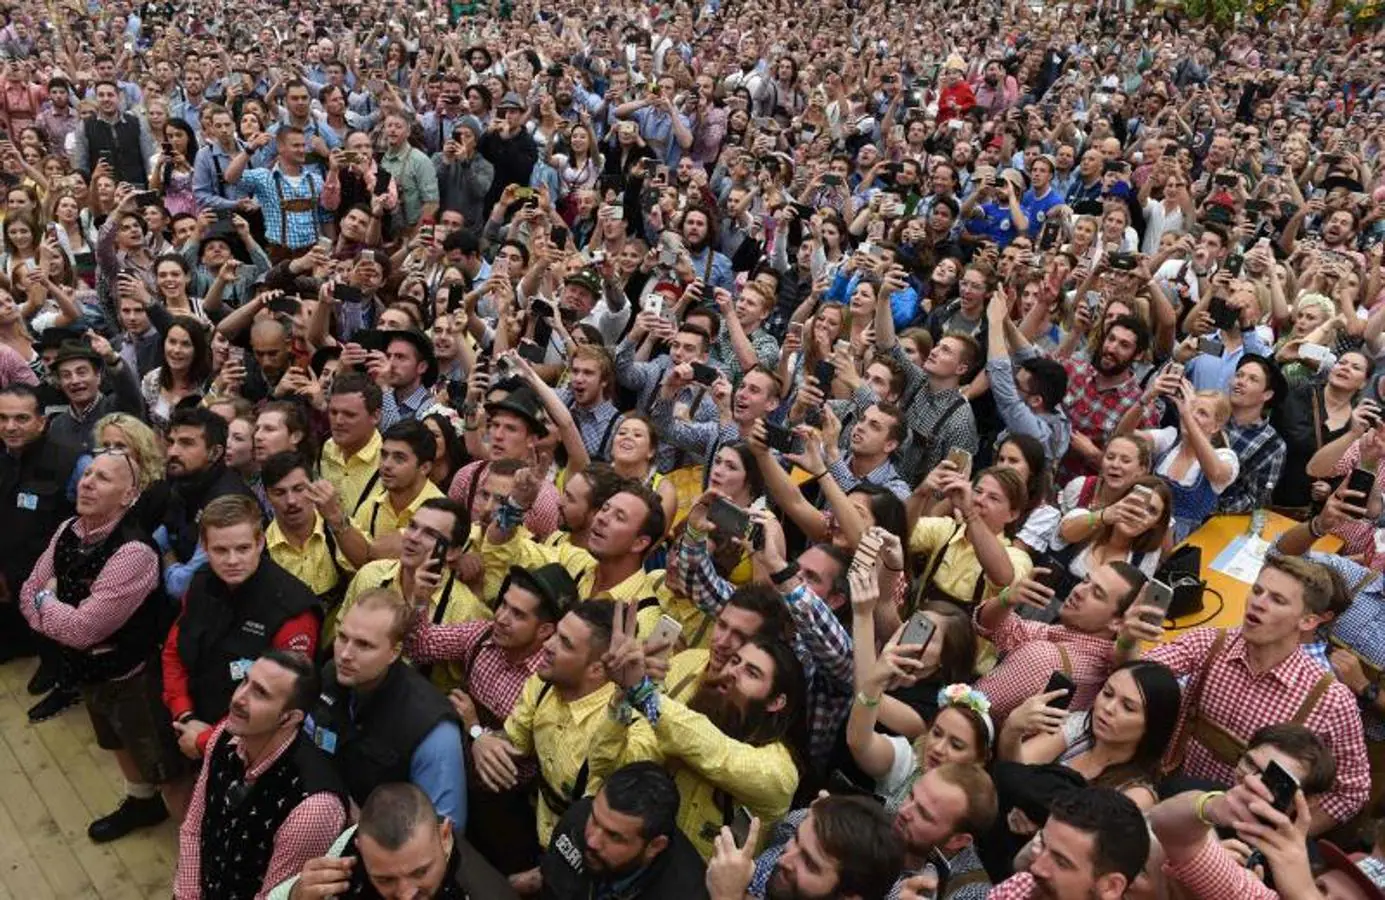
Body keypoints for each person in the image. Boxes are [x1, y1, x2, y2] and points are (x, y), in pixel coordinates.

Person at [20, 449, 189, 841]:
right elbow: (29, 589)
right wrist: (48, 606)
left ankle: (195, 850)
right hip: (88, 671)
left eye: (103, 478)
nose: (87, 482)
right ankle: (140, 803)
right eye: (87, 474)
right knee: (115, 742)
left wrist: (48, 602)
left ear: (129, 495)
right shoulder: (67, 530)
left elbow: (82, 629)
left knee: (164, 769)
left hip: (132, 679)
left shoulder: (133, 552)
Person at [1139, 554, 1370, 833]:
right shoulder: (1211, 644)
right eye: (1257, 591)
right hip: (1171, 799)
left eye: (1278, 600)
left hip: (1237, 834)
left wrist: (1282, 836)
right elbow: (1138, 676)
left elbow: (1352, 790)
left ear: (1308, 621)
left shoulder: (1330, 700)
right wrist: (1128, 641)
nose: (1259, 602)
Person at [586, 600, 805, 860]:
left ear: (776, 702)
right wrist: (623, 696)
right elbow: (607, 766)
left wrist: (642, 691)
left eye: (752, 673)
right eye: (735, 661)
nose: (733, 672)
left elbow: (718, 754)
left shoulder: (779, 772)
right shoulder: (681, 721)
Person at [173, 651, 347, 900]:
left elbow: (275, 896)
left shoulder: (313, 807)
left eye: (260, 693)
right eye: (245, 681)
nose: (239, 699)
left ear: (289, 718)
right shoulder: (225, 734)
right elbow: (194, 827)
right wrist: (187, 896)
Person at [161, 494, 322, 760]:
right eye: (221, 550)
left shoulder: (293, 612)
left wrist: (205, 741)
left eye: (243, 548)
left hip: (252, 748)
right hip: (189, 723)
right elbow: (174, 652)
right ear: (205, 546)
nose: (232, 560)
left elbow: (278, 704)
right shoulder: (201, 583)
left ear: (260, 542)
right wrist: (184, 714)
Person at [470, 600, 617, 886]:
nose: (547, 646)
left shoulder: (618, 730)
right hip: (536, 828)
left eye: (565, 643)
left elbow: (606, 841)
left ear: (597, 670)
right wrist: (479, 738)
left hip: (585, 862)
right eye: (554, 634)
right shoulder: (544, 684)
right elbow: (514, 744)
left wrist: (541, 877)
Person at [305, 588, 466, 828]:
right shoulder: (330, 676)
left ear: (395, 652)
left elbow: (444, 832)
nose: (345, 654)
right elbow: (305, 745)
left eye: (364, 645)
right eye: (342, 637)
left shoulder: (432, 729)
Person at [267, 782, 515, 899]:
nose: (406, 895)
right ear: (360, 847)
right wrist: (294, 894)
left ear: (445, 836)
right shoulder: (350, 848)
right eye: (385, 879)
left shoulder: (481, 893)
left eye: (420, 872)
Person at [975, 561, 1148, 722]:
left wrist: (1004, 599)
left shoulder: (1044, 658)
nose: (1079, 591)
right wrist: (1006, 599)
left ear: (1117, 622)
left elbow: (969, 708)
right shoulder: (1096, 656)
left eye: (1097, 594)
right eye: (1085, 581)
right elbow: (995, 627)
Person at [540, 761, 709, 900]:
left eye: (614, 836)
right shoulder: (578, 820)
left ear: (655, 846)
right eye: (595, 818)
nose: (592, 841)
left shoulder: (687, 893)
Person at [316, 419, 445, 570]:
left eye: (399, 458)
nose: (386, 465)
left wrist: (369, 552)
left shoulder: (443, 515)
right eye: (384, 455)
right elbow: (356, 564)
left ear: (424, 467)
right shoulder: (371, 507)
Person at [157, 405, 256, 599]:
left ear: (215, 453)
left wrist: (165, 551)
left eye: (186, 443)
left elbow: (182, 587)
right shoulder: (180, 481)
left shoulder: (229, 503)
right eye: (171, 442)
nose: (173, 452)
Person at [985, 787, 1150, 900]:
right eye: (1042, 845)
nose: (1037, 867)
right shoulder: (1022, 887)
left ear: (1111, 887)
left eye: (1061, 862)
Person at [318, 371, 383, 516]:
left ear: (375, 416)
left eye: (349, 415)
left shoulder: (388, 460)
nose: (338, 421)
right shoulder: (325, 448)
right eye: (333, 412)